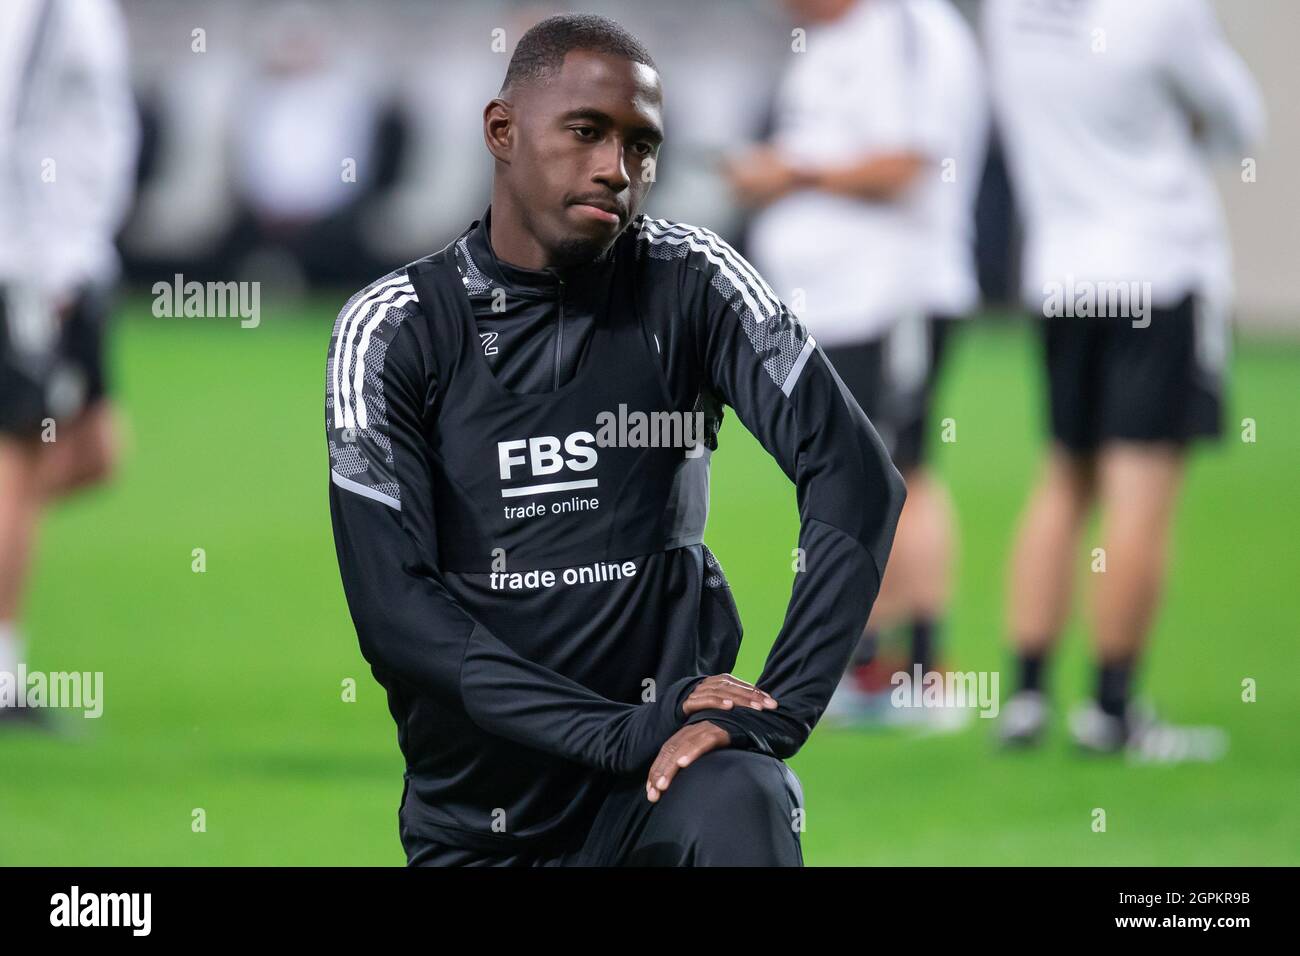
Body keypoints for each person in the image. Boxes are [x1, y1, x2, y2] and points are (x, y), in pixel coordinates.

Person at [325, 14, 905, 865]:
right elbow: (396, 615)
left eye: (643, 145)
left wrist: (774, 712)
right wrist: (620, 732)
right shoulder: (394, 329)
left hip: (661, 794)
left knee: (743, 791)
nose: (618, 168)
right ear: (502, 130)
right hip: (483, 831)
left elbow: (856, 477)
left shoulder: (693, 283)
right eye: (588, 132)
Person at [984, 0, 1264, 757]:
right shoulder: (1163, 11)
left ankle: (1030, 698)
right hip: (1156, 269)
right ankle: (1111, 711)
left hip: (1062, 274)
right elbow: (1242, 121)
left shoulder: (1009, 13)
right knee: (1140, 493)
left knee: (1064, 480)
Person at [726, 0, 987, 724]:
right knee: (852, 475)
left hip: (891, 293)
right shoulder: (837, 36)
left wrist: (790, 174)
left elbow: (906, 160)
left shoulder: (909, 25)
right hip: (836, 303)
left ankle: (926, 671)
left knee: (904, 467)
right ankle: (871, 665)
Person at [0, 0, 138, 725]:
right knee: (18, 459)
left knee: (95, 452)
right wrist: (38, 266)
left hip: (79, 261)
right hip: (31, 263)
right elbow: (12, 120)